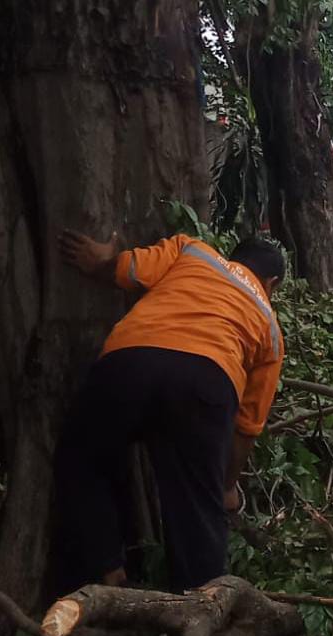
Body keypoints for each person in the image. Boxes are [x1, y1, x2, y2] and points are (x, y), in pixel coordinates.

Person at [53, 230, 285, 594]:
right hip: (206, 382)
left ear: (233, 255)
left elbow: (128, 270)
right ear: (271, 284)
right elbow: (247, 427)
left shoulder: (193, 251)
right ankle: (195, 614)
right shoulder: (270, 327)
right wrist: (225, 487)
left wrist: (101, 258)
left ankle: (107, 574)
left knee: (81, 459)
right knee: (197, 507)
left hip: (129, 362)